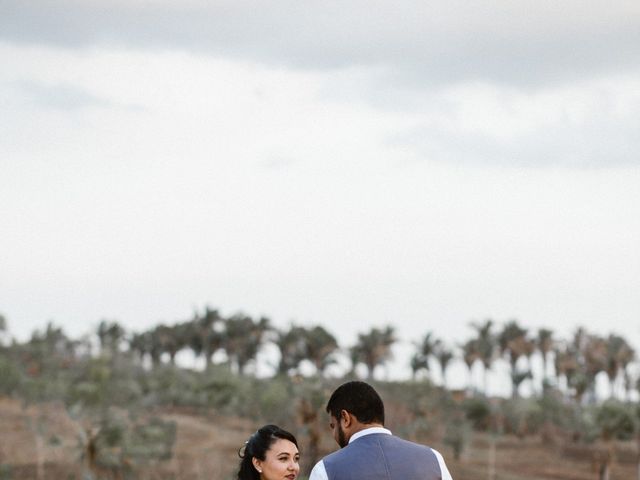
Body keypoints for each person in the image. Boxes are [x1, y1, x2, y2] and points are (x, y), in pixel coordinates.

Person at [309, 381, 453, 480]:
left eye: (333, 426)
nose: (333, 434)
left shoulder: (326, 469)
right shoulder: (433, 459)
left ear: (345, 418)